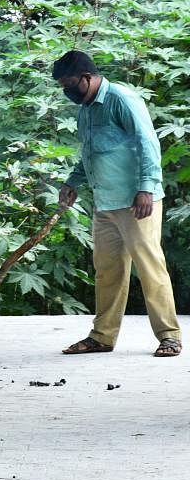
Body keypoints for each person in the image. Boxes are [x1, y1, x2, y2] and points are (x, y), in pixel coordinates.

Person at [52, 51, 181, 357]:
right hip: (105, 204)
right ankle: (102, 337)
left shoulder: (122, 99)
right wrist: (72, 182)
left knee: (150, 268)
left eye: (69, 83)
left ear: (86, 78)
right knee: (107, 272)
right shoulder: (85, 110)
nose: (66, 91)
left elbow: (148, 143)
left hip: (137, 202)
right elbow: (89, 154)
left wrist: (146, 188)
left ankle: (170, 336)